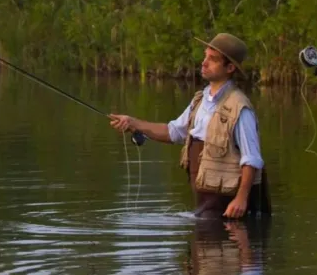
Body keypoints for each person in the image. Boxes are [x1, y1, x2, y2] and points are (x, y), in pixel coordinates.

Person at [109, 33, 271, 219]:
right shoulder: (200, 100)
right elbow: (173, 132)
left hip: (231, 209)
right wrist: (132, 122)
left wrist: (241, 199)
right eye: (205, 56)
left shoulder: (240, 109)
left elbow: (252, 159)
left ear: (230, 67)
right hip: (208, 206)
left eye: (212, 59)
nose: (204, 62)